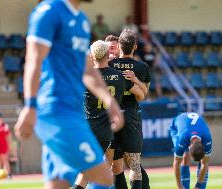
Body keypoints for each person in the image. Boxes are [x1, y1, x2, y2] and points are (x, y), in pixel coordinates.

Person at [14, 1, 124, 189]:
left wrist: (110, 103)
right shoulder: (48, 12)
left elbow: (88, 69)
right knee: (104, 177)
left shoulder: (81, 19)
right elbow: (33, 60)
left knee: (59, 184)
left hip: (73, 112)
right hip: (56, 111)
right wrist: (30, 105)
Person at [74, 40, 145, 189]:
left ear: (92, 57)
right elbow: (140, 95)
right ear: (108, 55)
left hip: (88, 130)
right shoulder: (119, 77)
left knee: (85, 173)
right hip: (108, 131)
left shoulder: (86, 77)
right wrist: (135, 80)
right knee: (105, 169)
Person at [108, 30, 151, 189]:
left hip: (111, 117)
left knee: (115, 166)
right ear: (135, 46)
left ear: (119, 45)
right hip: (131, 115)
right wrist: (135, 80)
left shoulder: (109, 65)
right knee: (134, 165)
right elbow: (143, 94)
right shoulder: (142, 67)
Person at [170, 112, 212, 189]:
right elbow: (176, 163)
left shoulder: (207, 138)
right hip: (176, 127)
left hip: (191, 127)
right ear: (189, 148)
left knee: (204, 161)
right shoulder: (182, 139)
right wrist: (179, 186)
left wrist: (198, 185)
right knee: (185, 157)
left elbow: (205, 163)